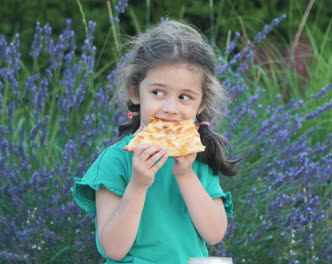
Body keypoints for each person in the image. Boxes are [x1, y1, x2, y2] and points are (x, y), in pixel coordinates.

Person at [72, 20, 240, 264]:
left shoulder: (198, 160)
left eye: (184, 97)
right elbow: (113, 250)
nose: (170, 108)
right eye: (157, 93)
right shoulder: (116, 161)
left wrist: (186, 176)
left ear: (200, 105)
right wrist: (138, 185)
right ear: (134, 92)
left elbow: (214, 235)